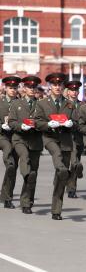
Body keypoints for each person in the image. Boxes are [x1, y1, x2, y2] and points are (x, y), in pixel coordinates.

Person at [35, 72, 77, 220]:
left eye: (60, 85)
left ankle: (56, 210)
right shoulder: (42, 103)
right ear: (49, 86)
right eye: (54, 85)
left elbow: (76, 122)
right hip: (50, 138)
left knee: (61, 178)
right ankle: (63, 170)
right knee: (59, 160)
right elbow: (37, 122)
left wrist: (71, 124)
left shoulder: (70, 104)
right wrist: (47, 124)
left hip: (65, 140)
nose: (57, 87)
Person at [8, 76, 43, 214]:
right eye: (29, 87)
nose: (32, 89)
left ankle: (27, 202)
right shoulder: (17, 103)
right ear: (24, 88)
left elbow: (44, 122)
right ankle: (25, 173)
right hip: (20, 138)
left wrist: (39, 125)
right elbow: (11, 122)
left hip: (35, 140)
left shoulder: (41, 104)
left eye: (34, 87)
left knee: (33, 173)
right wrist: (20, 126)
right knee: (24, 157)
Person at [0, 76, 20, 209]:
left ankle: (6, 195)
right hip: (2, 136)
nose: (13, 90)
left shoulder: (20, 103)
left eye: (15, 88)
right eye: (10, 88)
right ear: (5, 88)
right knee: (10, 162)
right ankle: (6, 197)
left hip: (16, 136)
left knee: (13, 168)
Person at [64, 81, 84, 198]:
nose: (74, 92)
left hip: (79, 137)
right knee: (72, 162)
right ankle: (69, 187)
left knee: (74, 164)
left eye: (76, 90)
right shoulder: (64, 104)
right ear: (68, 91)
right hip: (67, 137)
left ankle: (71, 186)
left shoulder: (82, 105)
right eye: (72, 90)